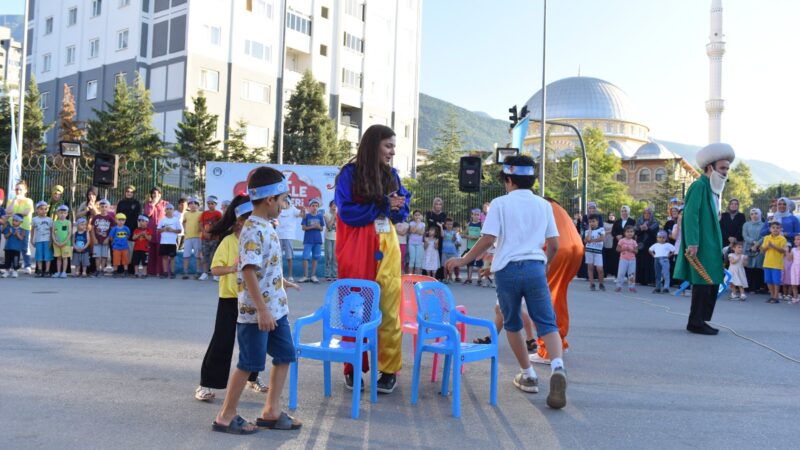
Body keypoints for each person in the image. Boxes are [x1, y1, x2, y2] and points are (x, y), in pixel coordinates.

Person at [445, 155, 567, 409]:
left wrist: (464, 260)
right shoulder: (544, 205)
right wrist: (543, 264)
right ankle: (557, 368)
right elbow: (555, 245)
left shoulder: (500, 204)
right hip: (535, 266)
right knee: (547, 323)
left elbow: (488, 239)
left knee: (512, 324)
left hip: (507, 271)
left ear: (509, 179)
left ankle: (529, 375)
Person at [212, 167, 302, 434]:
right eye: (284, 199)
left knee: (285, 355)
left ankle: (271, 411)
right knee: (249, 363)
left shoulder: (267, 226)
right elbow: (248, 270)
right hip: (257, 312)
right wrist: (262, 310)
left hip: (277, 309)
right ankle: (225, 416)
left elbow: (263, 266)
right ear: (270, 199)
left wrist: (280, 281)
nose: (285, 206)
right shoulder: (252, 229)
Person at [334, 124, 410, 394]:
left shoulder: (392, 175)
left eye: (393, 146)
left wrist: (400, 207)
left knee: (389, 307)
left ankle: (389, 370)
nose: (392, 151)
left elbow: (401, 214)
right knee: (354, 307)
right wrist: (382, 205)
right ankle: (352, 366)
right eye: (388, 146)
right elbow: (347, 212)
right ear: (373, 145)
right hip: (356, 245)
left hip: (387, 245)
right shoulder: (349, 174)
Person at [196, 195, 268, 403]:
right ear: (239, 221)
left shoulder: (258, 239)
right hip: (230, 298)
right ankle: (206, 383)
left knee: (255, 340)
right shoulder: (228, 242)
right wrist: (233, 268)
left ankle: (253, 377)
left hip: (253, 299)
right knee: (222, 340)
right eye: (249, 219)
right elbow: (215, 269)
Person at [674, 143, 735, 335]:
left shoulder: (711, 190)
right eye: (722, 168)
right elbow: (690, 215)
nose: (725, 172)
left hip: (710, 245)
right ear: (710, 167)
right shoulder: (699, 186)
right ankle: (696, 322)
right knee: (702, 282)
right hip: (701, 245)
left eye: (727, 168)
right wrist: (692, 242)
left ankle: (701, 320)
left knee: (711, 281)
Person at [8, 180, 34, 273]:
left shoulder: (29, 201)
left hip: (25, 227)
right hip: (13, 227)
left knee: (24, 247)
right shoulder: (11, 200)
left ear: (25, 191)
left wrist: (13, 214)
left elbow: (25, 212)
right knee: (13, 247)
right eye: (16, 189)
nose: (18, 191)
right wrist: (15, 200)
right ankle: (11, 265)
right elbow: (8, 211)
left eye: (20, 189)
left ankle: (27, 265)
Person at [275, 197, 302, 282]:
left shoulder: (293, 209)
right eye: (283, 200)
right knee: (278, 257)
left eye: (286, 200)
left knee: (289, 257)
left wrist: (303, 211)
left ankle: (290, 276)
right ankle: (279, 275)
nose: (284, 202)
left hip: (288, 235)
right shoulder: (277, 209)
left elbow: (301, 215)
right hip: (278, 236)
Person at [117, 185, 142, 275]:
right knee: (121, 248)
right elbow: (117, 215)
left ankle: (131, 269)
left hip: (132, 229)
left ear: (133, 193)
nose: (129, 193)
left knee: (131, 250)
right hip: (121, 229)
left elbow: (138, 217)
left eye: (131, 192)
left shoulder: (137, 203)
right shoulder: (121, 203)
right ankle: (120, 269)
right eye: (127, 191)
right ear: (125, 192)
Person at [761, 221, 788, 304]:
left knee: (776, 281)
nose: (775, 229)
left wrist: (774, 246)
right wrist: (767, 246)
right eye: (773, 228)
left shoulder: (782, 239)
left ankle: (776, 297)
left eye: (777, 228)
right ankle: (772, 296)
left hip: (777, 263)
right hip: (767, 263)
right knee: (768, 280)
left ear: (780, 229)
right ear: (770, 229)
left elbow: (783, 251)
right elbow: (762, 251)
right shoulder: (766, 238)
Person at [143, 187, 168, 276]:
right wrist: (152, 204)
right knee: (151, 252)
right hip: (151, 231)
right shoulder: (148, 204)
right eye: (153, 193)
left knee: (160, 252)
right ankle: (151, 271)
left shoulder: (165, 204)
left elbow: (169, 215)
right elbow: (148, 214)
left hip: (161, 232)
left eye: (157, 193)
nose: (155, 195)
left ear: (160, 194)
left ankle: (160, 271)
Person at [299, 198, 325, 283]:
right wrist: (313, 227)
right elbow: (304, 228)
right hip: (308, 240)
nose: (315, 207)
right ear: (309, 207)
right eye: (313, 206)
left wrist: (318, 227)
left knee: (315, 258)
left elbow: (321, 228)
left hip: (317, 240)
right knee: (305, 257)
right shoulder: (306, 216)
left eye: (316, 206)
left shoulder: (320, 216)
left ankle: (313, 276)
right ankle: (305, 276)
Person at [200, 196, 223, 281]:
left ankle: (215, 274)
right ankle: (205, 273)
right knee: (205, 255)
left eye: (212, 204)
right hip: (204, 238)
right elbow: (200, 224)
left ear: (215, 204)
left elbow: (221, 225)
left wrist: (213, 233)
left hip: (214, 238)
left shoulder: (218, 214)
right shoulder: (204, 213)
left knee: (214, 256)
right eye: (208, 203)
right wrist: (204, 233)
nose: (210, 205)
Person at [634, 207, 659, 286]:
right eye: (645, 213)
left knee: (649, 262)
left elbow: (655, 234)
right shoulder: (639, 221)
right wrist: (641, 229)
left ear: (651, 214)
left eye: (648, 213)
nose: (646, 214)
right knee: (640, 261)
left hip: (650, 245)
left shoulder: (655, 222)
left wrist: (647, 229)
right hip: (641, 245)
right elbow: (635, 232)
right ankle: (640, 279)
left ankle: (650, 280)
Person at [743, 208, 765, 293]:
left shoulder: (764, 225)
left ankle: (757, 287)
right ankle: (747, 286)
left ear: (760, 214)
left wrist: (757, 244)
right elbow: (745, 236)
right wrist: (753, 242)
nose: (754, 215)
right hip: (748, 247)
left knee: (758, 266)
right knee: (748, 266)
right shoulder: (746, 224)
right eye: (752, 214)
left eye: (756, 213)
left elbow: (764, 236)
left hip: (759, 248)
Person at [158, 203, 182, 279]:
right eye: (167, 209)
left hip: (172, 242)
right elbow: (158, 230)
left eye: (170, 209)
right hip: (163, 242)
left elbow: (179, 230)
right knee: (164, 257)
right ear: (165, 210)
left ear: (173, 210)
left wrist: (172, 230)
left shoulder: (176, 220)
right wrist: (164, 229)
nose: (169, 210)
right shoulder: (162, 220)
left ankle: (172, 272)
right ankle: (165, 272)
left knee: (172, 258)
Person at [91, 199, 115, 276]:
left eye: (105, 207)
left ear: (108, 208)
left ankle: (102, 269)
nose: (104, 208)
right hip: (97, 239)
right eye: (102, 207)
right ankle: (98, 269)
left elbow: (112, 230)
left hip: (105, 240)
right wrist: (94, 238)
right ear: (99, 207)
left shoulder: (110, 218)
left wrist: (108, 238)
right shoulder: (96, 217)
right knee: (97, 256)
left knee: (104, 256)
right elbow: (92, 229)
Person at [425, 197, 447, 280]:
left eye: (440, 204)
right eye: (436, 204)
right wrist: (438, 223)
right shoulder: (429, 213)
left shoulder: (444, 214)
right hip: (430, 237)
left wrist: (434, 222)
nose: (438, 206)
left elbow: (442, 225)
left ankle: (438, 276)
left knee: (438, 255)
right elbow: (430, 224)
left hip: (440, 238)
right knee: (429, 255)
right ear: (433, 205)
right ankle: (427, 275)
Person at [182, 197, 203, 279]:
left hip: (197, 237)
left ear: (198, 205)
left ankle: (198, 271)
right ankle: (185, 272)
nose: (193, 205)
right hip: (188, 237)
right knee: (186, 255)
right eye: (191, 204)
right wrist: (185, 230)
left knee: (198, 255)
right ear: (188, 206)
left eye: (195, 204)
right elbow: (184, 222)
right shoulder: (186, 214)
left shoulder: (201, 213)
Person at [31, 201, 54, 277]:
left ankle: (47, 271)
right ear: (37, 210)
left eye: (45, 209)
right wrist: (31, 239)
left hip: (47, 240)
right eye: (41, 209)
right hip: (38, 240)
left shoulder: (49, 220)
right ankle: (40, 270)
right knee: (39, 256)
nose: (43, 211)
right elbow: (32, 230)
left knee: (48, 256)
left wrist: (51, 240)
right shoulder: (34, 219)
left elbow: (51, 231)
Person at [583, 214, 605, 291]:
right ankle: (592, 284)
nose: (592, 223)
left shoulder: (601, 229)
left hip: (598, 252)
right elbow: (587, 240)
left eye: (593, 221)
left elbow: (602, 238)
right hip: (589, 251)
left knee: (599, 269)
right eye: (590, 222)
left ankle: (601, 283)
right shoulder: (587, 231)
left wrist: (592, 241)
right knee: (590, 268)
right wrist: (589, 230)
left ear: (597, 222)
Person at [463, 209, 485, 285]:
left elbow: (484, 235)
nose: (476, 216)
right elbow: (464, 234)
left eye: (477, 215)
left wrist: (478, 237)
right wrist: (469, 236)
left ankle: (479, 279)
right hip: (470, 247)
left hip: (479, 247)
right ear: (472, 215)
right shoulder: (469, 224)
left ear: (479, 216)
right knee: (470, 263)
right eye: (474, 214)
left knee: (479, 264)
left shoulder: (481, 224)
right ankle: (469, 278)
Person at [51, 205, 72, 278]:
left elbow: (69, 233)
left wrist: (65, 242)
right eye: (60, 213)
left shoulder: (68, 222)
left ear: (67, 214)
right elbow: (53, 233)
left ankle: (64, 272)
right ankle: (58, 271)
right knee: (58, 258)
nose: (62, 215)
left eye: (64, 213)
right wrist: (55, 241)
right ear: (57, 213)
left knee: (65, 258)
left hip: (66, 244)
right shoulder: (55, 223)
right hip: (56, 244)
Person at [615, 226, 638, 292]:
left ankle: (631, 286)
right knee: (621, 273)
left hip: (632, 260)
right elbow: (617, 249)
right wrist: (623, 249)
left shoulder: (634, 242)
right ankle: (619, 286)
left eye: (631, 232)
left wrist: (632, 250)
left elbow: (636, 251)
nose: (629, 233)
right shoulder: (622, 240)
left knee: (631, 273)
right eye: (628, 232)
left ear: (633, 233)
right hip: (623, 259)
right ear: (624, 233)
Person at [441, 218, 460, 282]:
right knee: (445, 265)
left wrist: (455, 237)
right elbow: (442, 235)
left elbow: (455, 241)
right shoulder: (444, 231)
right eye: (448, 224)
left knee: (451, 265)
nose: (449, 226)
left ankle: (450, 277)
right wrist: (441, 227)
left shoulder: (454, 232)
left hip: (452, 251)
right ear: (445, 225)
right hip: (445, 251)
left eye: (451, 224)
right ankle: (445, 278)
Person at [323, 200, 338, 281]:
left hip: (337, 238)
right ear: (330, 206)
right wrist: (333, 217)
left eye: (336, 205)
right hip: (328, 237)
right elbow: (328, 226)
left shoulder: (340, 215)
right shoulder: (326, 214)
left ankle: (335, 274)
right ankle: (327, 274)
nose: (335, 206)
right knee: (328, 256)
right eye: (333, 205)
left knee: (335, 257)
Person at [407, 210, 425, 275]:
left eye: (419, 215)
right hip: (411, 244)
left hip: (419, 244)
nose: (417, 216)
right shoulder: (411, 223)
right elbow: (413, 231)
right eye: (416, 215)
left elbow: (421, 233)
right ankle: (410, 275)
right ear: (413, 216)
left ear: (421, 216)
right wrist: (417, 223)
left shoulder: (423, 224)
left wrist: (416, 230)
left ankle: (417, 276)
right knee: (412, 259)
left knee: (418, 260)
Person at [602, 212, 618, 278]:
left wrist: (612, 232)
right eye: (610, 215)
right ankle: (606, 272)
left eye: (613, 215)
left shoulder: (616, 223)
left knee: (613, 258)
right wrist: (610, 232)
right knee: (606, 258)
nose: (611, 216)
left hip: (613, 242)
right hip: (606, 241)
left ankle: (612, 272)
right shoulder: (604, 223)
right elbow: (602, 232)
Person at [788, 235, 800, 304]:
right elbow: (789, 259)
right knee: (794, 284)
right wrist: (787, 251)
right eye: (795, 239)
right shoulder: (793, 249)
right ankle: (795, 298)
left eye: (798, 239)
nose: (796, 241)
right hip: (794, 268)